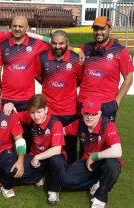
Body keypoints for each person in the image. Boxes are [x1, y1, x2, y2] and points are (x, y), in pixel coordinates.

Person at [62, 98, 122, 208]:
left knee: (112, 164)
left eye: (93, 114)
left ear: (99, 113)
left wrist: (94, 156)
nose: (89, 117)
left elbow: (117, 151)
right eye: (86, 113)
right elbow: (61, 131)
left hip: (105, 161)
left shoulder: (108, 125)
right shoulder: (79, 124)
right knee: (65, 180)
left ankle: (101, 198)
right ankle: (98, 181)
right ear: (82, 113)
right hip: (87, 163)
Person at [4, 94, 66, 205]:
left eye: (39, 112)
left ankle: (53, 191)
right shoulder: (30, 117)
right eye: (32, 112)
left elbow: (57, 149)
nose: (36, 116)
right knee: (12, 170)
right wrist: (10, 104)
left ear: (46, 109)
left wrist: (37, 157)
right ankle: (41, 175)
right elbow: (15, 115)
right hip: (34, 158)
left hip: (52, 157)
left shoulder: (56, 123)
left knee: (57, 161)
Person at [34, 30, 82, 163]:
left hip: (69, 111)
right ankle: (45, 171)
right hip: (49, 111)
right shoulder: (42, 57)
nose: (57, 46)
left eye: (61, 43)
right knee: (47, 143)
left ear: (67, 43)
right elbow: (39, 76)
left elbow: (79, 79)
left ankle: (70, 171)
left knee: (70, 145)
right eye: (54, 43)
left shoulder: (75, 58)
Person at [78, 16, 134, 122]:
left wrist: (116, 103)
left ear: (110, 30)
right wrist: (79, 51)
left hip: (107, 104)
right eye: (95, 29)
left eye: (102, 29)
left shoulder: (120, 51)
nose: (98, 32)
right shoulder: (85, 48)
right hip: (84, 102)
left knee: (105, 138)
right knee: (85, 138)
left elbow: (129, 79)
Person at [0, 16, 50, 112]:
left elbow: (57, 47)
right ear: (11, 27)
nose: (17, 29)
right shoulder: (3, 46)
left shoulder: (36, 44)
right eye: (14, 26)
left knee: (26, 126)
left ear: (27, 28)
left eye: (20, 26)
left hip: (27, 98)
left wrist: (77, 50)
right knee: (7, 126)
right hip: (6, 97)